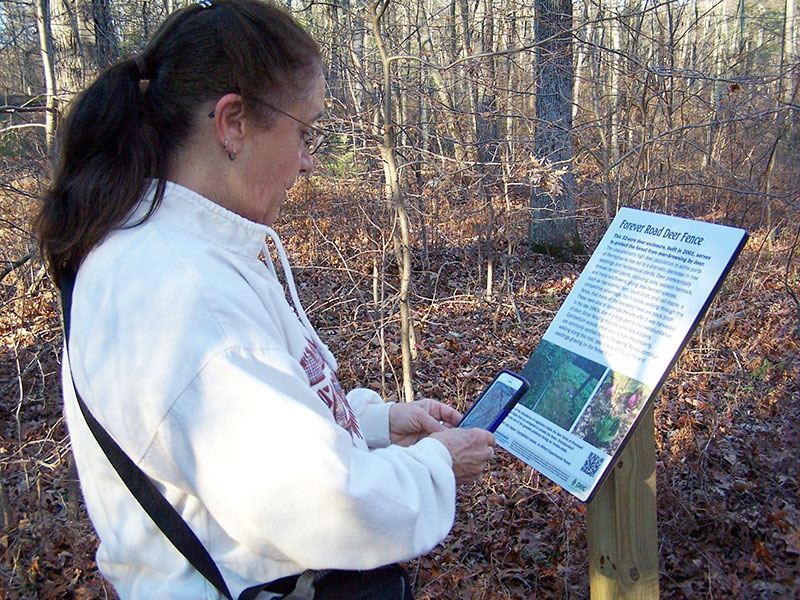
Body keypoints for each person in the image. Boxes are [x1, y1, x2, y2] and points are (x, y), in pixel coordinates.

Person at [33, 1, 496, 598]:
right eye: (305, 131)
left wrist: (378, 426)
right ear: (232, 123)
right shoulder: (182, 291)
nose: (307, 160)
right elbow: (320, 504)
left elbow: (259, 428)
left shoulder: (178, 247)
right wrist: (436, 465)